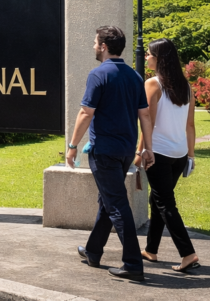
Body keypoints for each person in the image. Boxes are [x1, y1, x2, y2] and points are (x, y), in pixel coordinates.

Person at [66, 25, 155, 282]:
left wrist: (72, 147)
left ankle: (132, 264)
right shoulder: (135, 77)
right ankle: (93, 252)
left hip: (104, 151)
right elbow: (145, 115)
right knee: (107, 201)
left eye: (96, 43)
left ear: (104, 46)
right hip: (126, 151)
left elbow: (86, 112)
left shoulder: (98, 75)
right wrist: (146, 148)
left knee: (116, 205)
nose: (94, 46)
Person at [137, 38, 200, 273]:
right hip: (179, 154)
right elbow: (191, 125)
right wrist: (191, 156)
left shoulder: (152, 84)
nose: (146, 57)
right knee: (158, 200)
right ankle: (151, 250)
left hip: (159, 153)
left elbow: (148, 122)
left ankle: (188, 253)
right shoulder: (186, 85)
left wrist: (141, 151)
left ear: (159, 58)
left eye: (148, 54)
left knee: (165, 202)